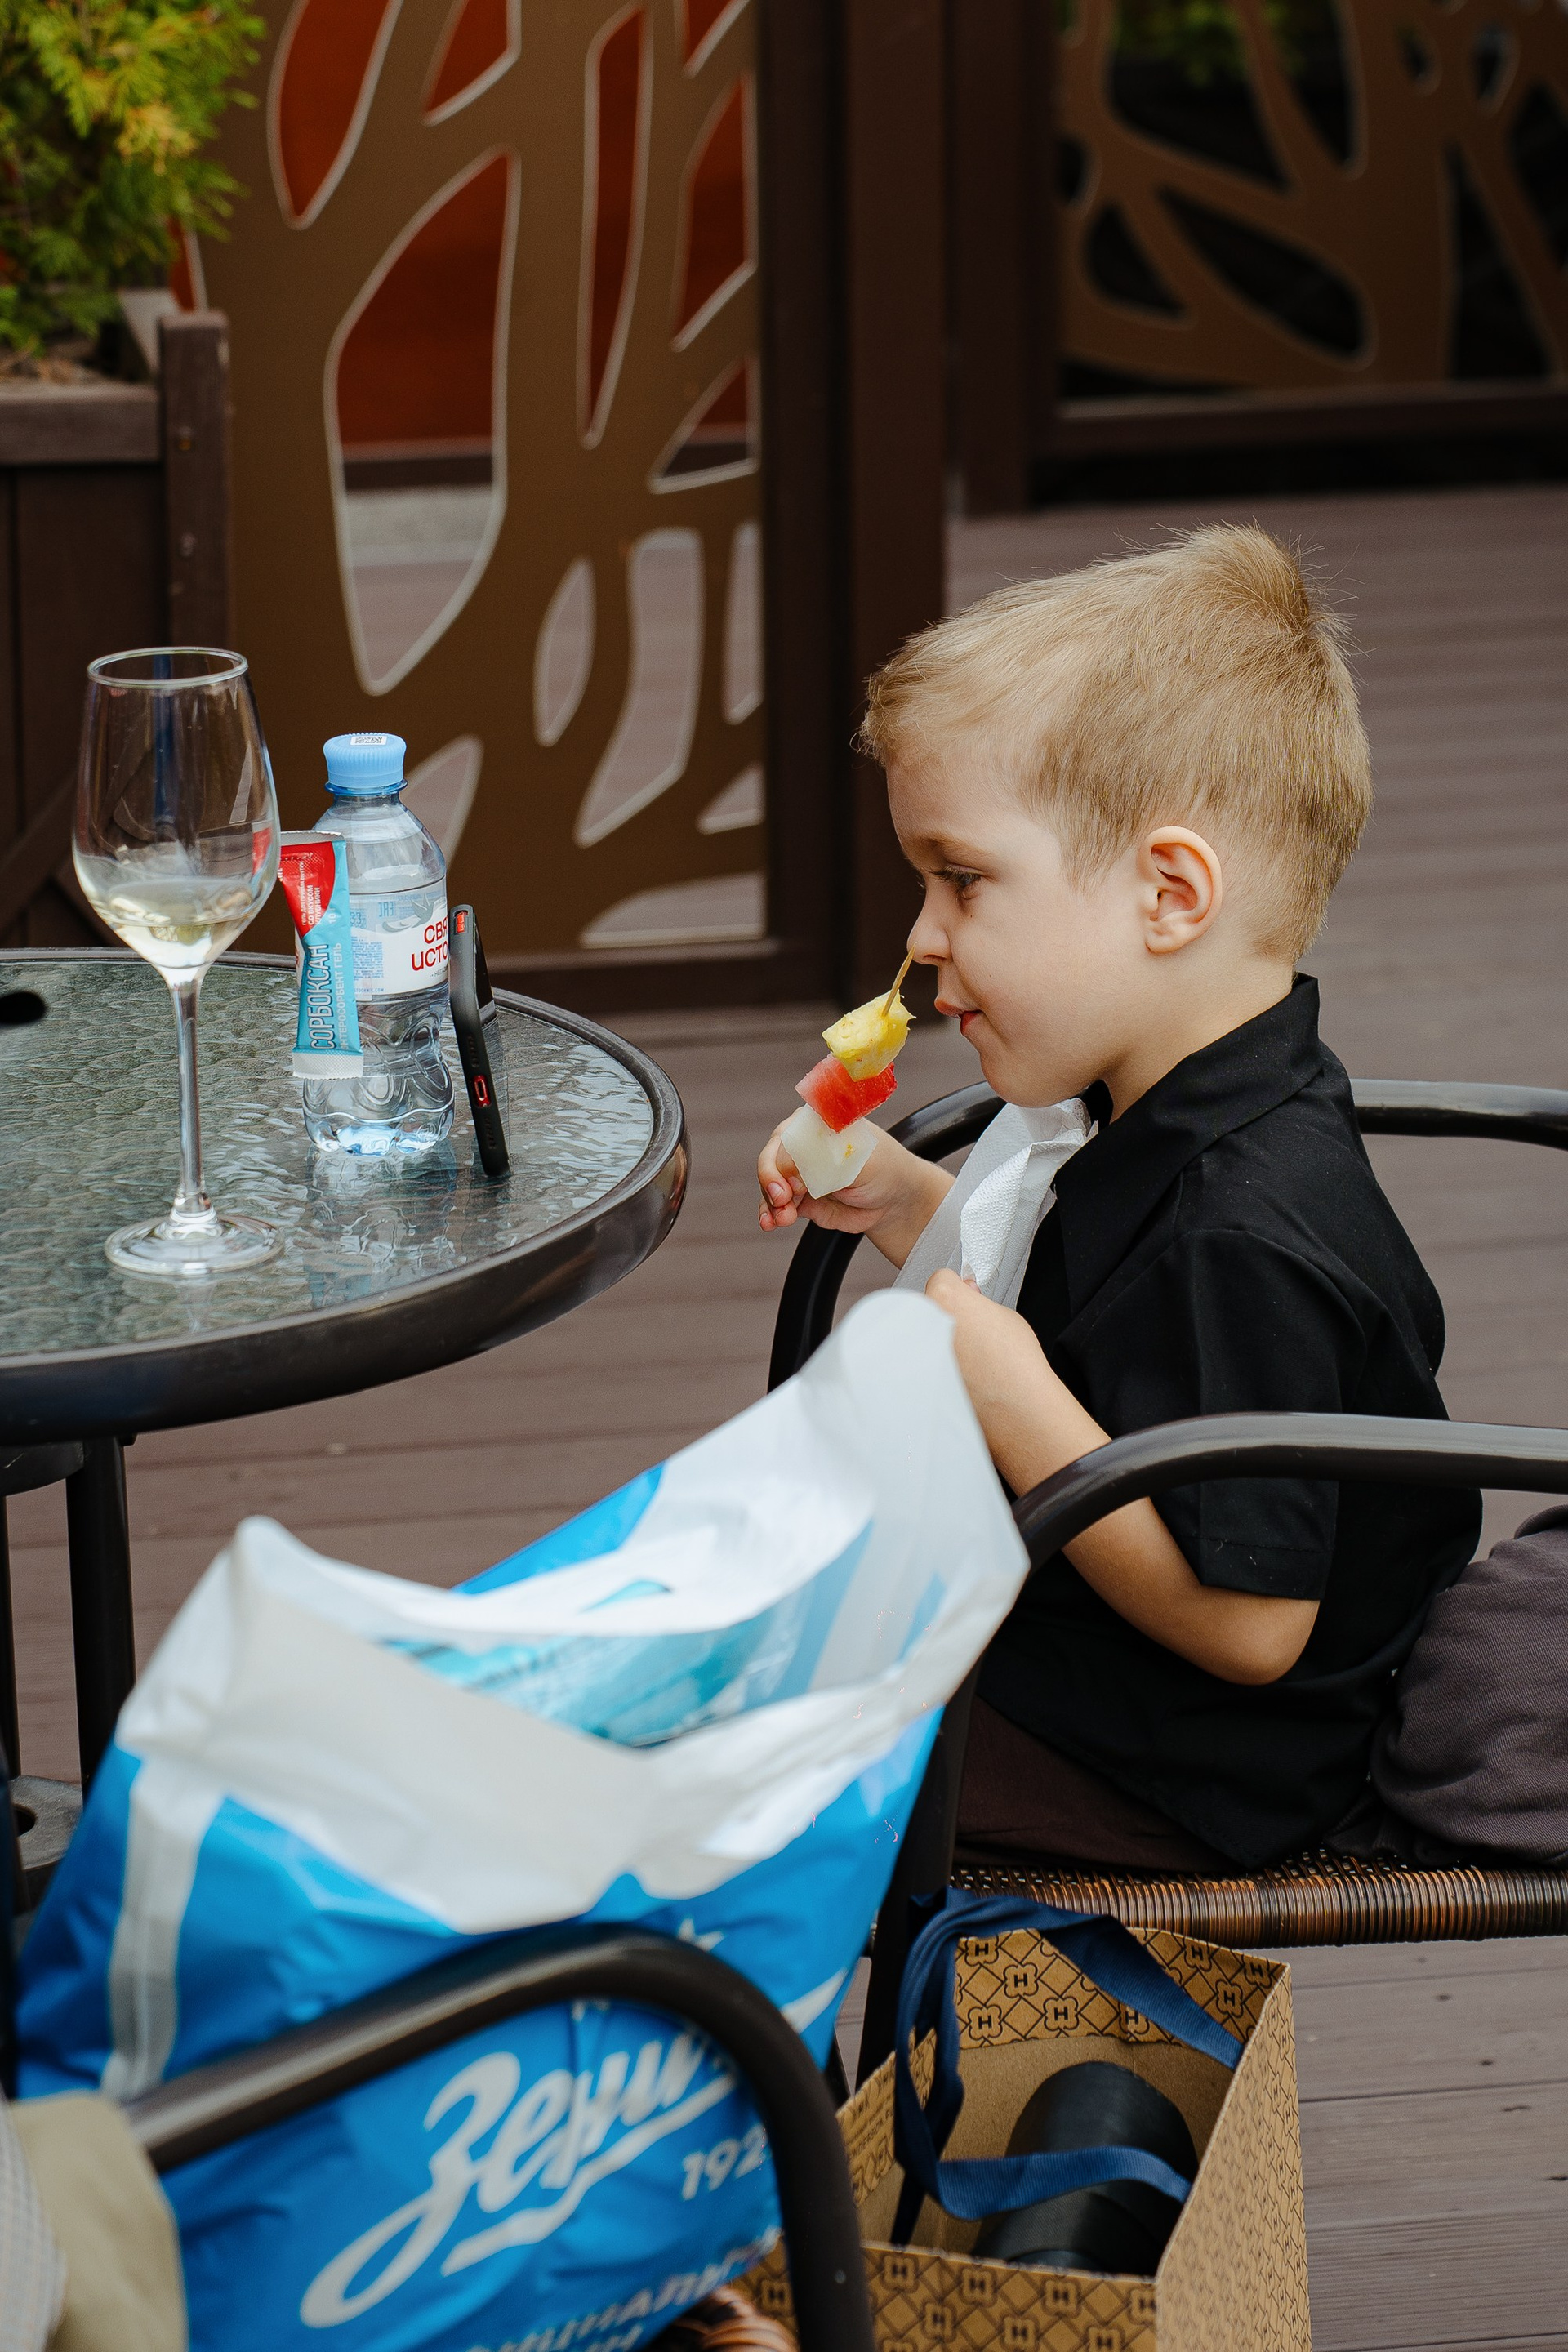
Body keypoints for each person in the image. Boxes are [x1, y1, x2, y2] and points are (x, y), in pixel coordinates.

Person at [755, 525, 1481, 1872]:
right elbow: (1101, 1307)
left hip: (1182, 1763)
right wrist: (908, 1201)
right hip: (1092, 1670)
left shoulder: (1243, 1231)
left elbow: (1252, 1627)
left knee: (753, 1755)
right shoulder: (1179, 1104)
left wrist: (1015, 1400)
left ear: (1169, 895)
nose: (921, 937)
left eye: (963, 879)